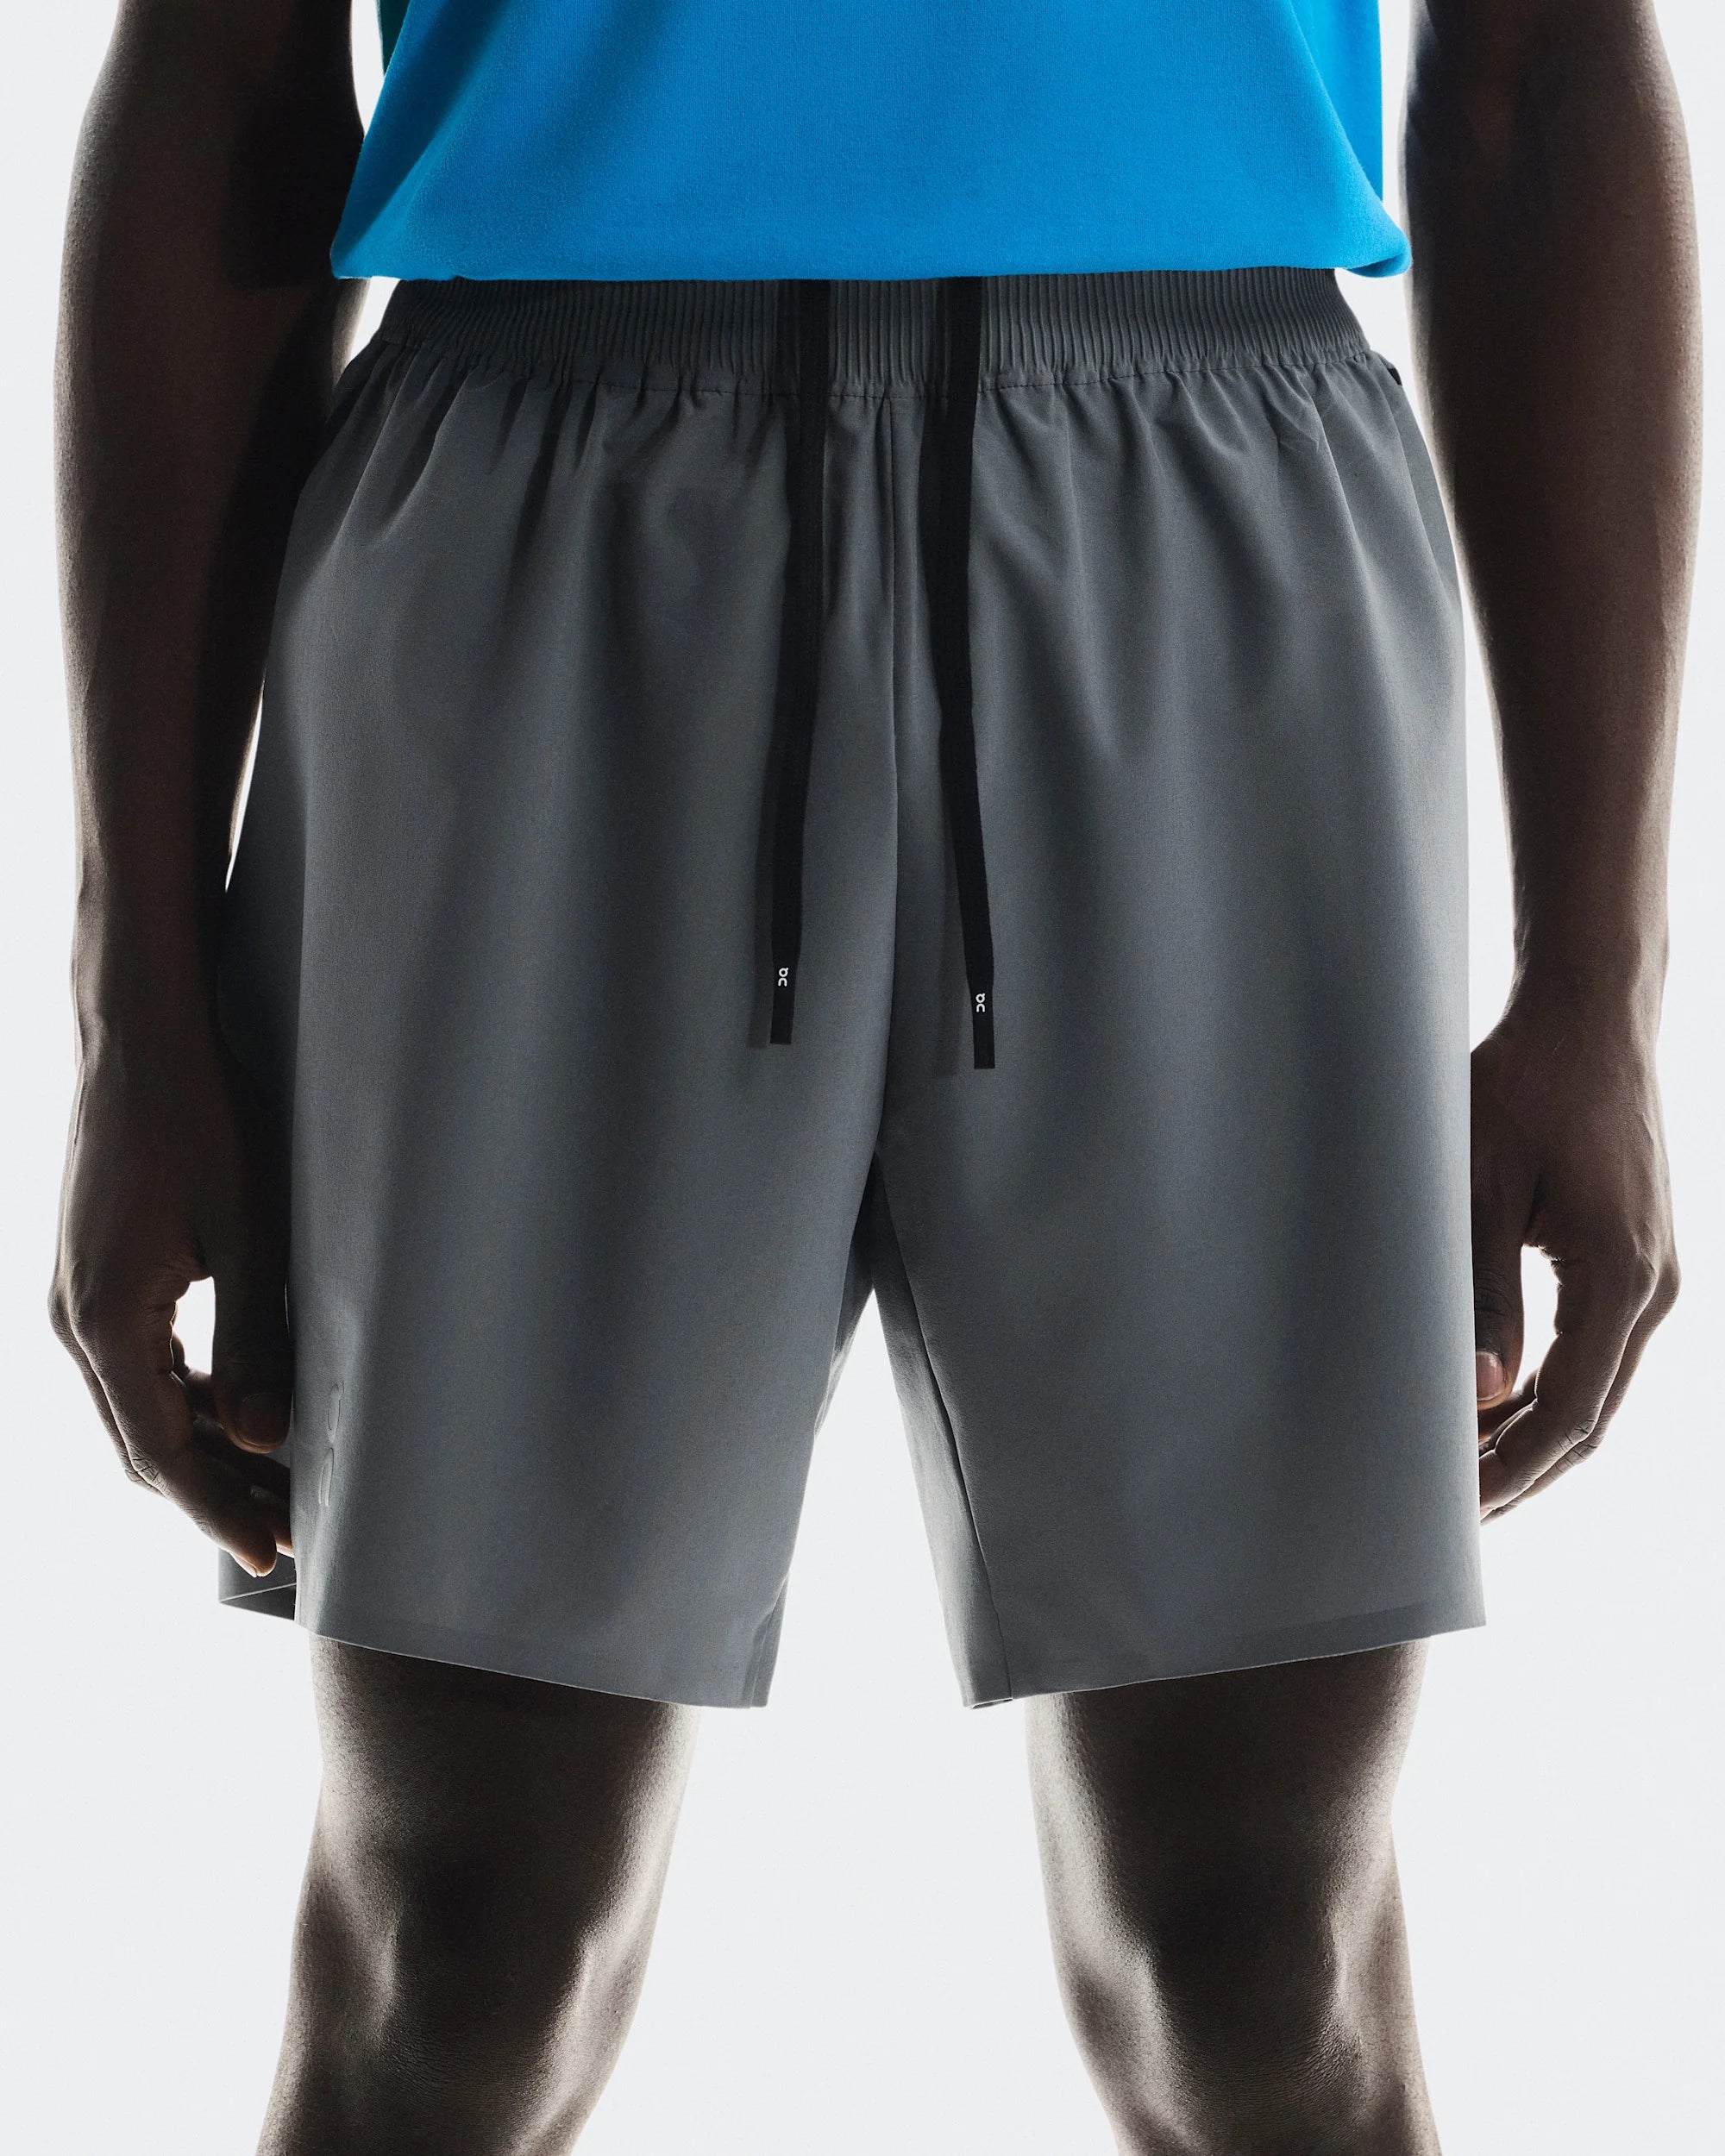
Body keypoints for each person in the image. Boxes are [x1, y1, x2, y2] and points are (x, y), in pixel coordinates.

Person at [49, 2, 1695, 2150]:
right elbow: (226, 74)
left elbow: (1538, 77)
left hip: (1205, 494)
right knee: (458, 1933)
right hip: (545, 503)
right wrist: (137, 1003)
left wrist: (1598, 980)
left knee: (1255, 1946)